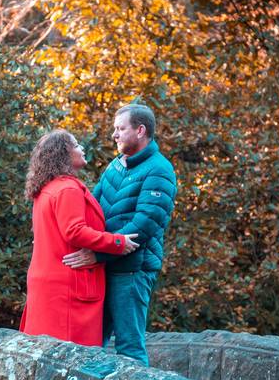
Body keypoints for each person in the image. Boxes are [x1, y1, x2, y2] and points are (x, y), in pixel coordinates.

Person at [63, 104, 176, 364]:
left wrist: (99, 254)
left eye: (120, 129)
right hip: (106, 267)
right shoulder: (116, 165)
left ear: (140, 130)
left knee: (129, 347)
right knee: (91, 344)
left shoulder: (159, 170)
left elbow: (144, 225)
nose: (114, 135)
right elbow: (90, 205)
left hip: (132, 272)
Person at [20, 129, 139, 346]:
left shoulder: (47, 188)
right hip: (68, 288)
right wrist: (117, 242)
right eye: (76, 145)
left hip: (50, 283)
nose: (81, 148)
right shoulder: (67, 189)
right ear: (63, 154)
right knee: (71, 362)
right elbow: (74, 231)